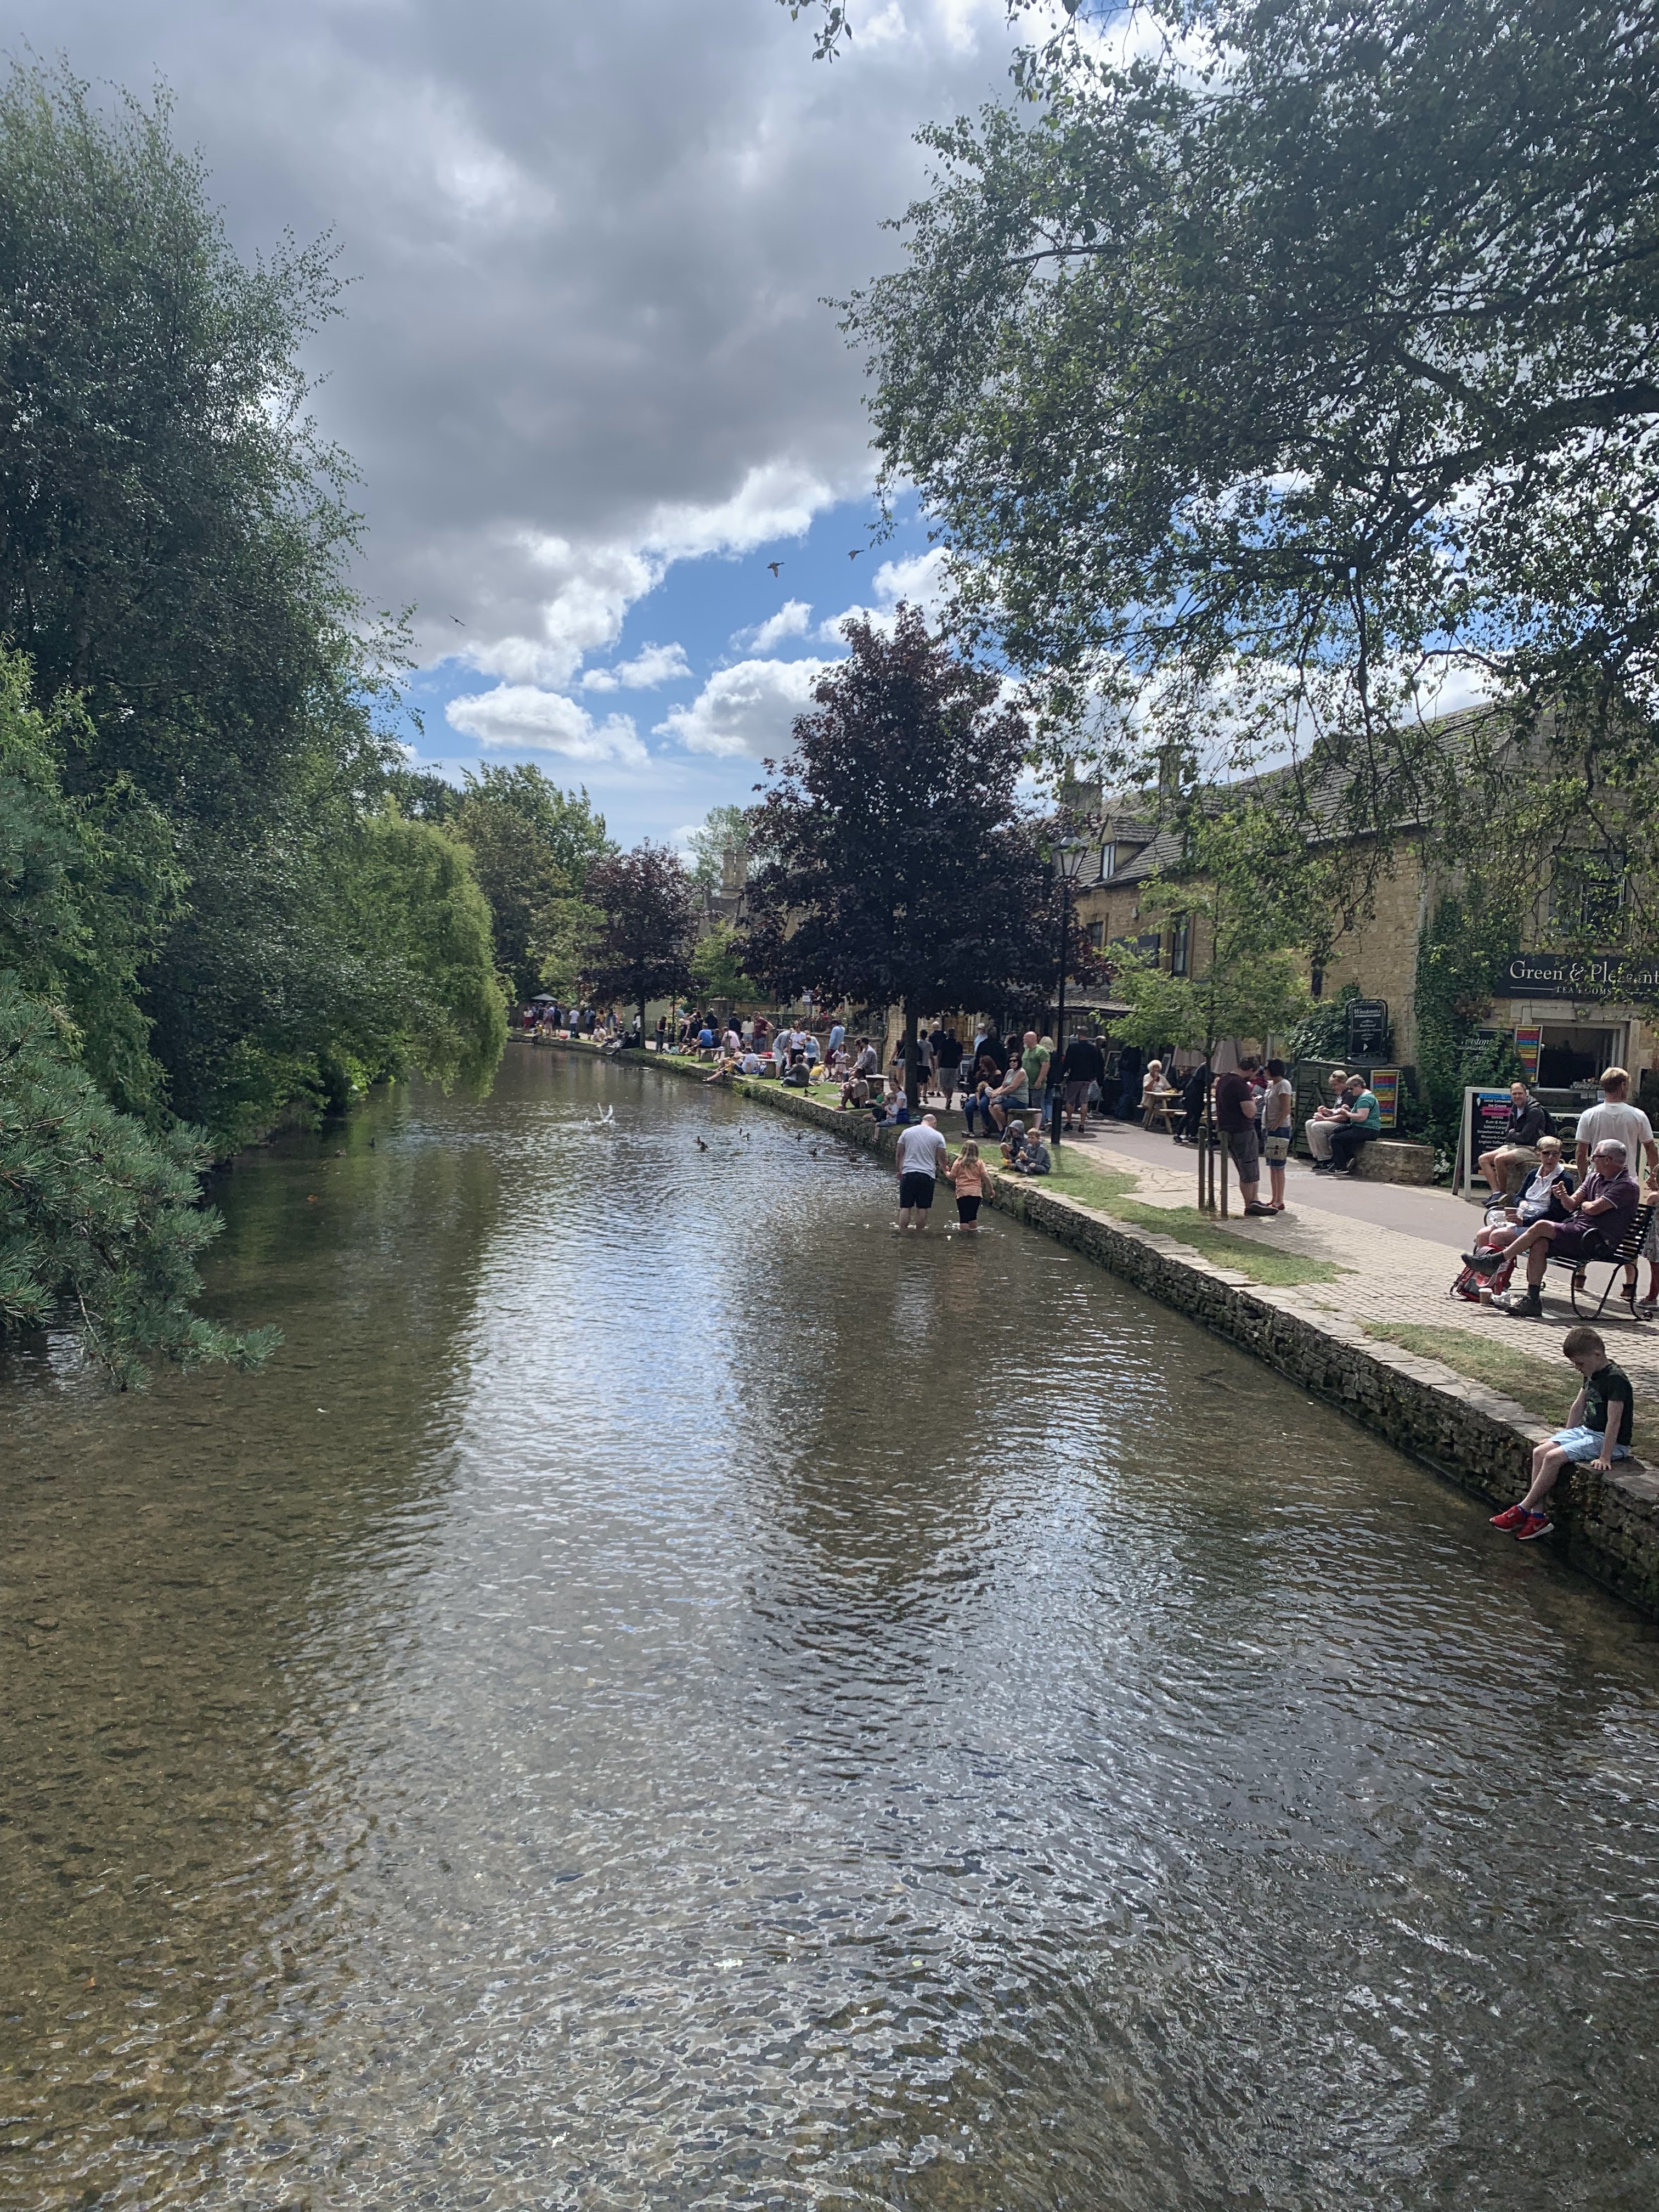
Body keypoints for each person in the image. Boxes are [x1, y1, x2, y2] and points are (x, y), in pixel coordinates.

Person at [1489, 1327, 1634, 1541]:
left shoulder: (1616, 1380)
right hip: (1586, 1432)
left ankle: (1523, 1508)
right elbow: (1579, 1406)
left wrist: (1605, 1456)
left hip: (1607, 1441)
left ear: (1597, 1355)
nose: (1577, 1368)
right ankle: (1537, 1517)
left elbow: (1615, 1421)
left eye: (1579, 1363)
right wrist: (1564, 1437)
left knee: (1552, 1458)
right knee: (1540, 1452)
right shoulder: (1592, 1373)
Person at [1494, 1137, 1640, 1318]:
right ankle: (1532, 1300)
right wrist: (1564, 1196)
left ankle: (1498, 1259)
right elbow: (1572, 1205)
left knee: (1541, 1226)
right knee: (1539, 1243)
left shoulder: (1626, 1186)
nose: (1591, 1160)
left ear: (1607, 1160)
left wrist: (1585, 1203)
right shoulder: (1595, 1177)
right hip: (1579, 1232)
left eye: (1594, 1157)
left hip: (1597, 1240)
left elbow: (1594, 1209)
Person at [1573, 1066, 1658, 1184]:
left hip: (1597, 1180)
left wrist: (1585, 1181)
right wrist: (1654, 1176)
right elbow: (1651, 1149)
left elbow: (1581, 1153)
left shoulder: (1589, 1115)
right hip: (1627, 1181)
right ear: (1623, 1085)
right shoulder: (1638, 1115)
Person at [1214, 1053, 1273, 1216]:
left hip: (1227, 1128)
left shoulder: (1223, 1080)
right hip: (1242, 1130)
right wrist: (1254, 1104)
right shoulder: (1240, 1085)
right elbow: (1249, 1112)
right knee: (1248, 1167)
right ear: (1250, 1070)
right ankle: (1250, 1205)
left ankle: (1254, 1200)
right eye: (1254, 1073)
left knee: (1247, 1166)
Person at [1476, 1080, 1553, 1197]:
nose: (1517, 1096)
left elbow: (1525, 1137)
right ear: (1511, 1095)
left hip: (1532, 1148)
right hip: (1515, 1146)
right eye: (1514, 1094)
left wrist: (1513, 1134)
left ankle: (1502, 1195)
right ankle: (1496, 1192)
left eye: (1520, 1093)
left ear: (1526, 1094)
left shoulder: (1535, 1111)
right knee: (1483, 1159)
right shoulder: (1515, 1108)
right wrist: (1513, 1134)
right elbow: (1507, 1132)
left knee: (1500, 1160)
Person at [895, 1111, 949, 1231]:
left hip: (908, 1173)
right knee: (922, 1207)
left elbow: (899, 1154)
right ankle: (919, 1233)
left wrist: (900, 1170)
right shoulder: (938, 1136)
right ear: (934, 1123)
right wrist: (946, 1171)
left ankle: (903, 1232)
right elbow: (942, 1158)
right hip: (927, 1175)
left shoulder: (907, 1132)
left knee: (905, 1206)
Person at [1259, 1057, 1295, 1212]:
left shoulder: (1283, 1085)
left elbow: (1286, 1109)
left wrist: (1276, 1125)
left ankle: (1280, 1199)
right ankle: (1274, 1198)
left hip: (1279, 1129)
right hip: (1268, 1127)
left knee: (1279, 1166)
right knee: (1273, 1165)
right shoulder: (1271, 1085)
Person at [1328, 1074, 1383, 1175]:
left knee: (1335, 1139)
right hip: (1362, 1127)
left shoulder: (1365, 1099)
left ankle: (1341, 1166)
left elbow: (1362, 1117)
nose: (1350, 1091)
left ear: (1359, 1086)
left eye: (1351, 1089)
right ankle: (1349, 1157)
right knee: (1337, 1130)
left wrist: (1347, 1114)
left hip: (1367, 1129)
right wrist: (1349, 1109)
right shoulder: (1364, 1097)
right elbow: (1359, 1113)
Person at [1304, 1069, 1351, 1169]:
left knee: (1317, 1127)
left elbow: (1344, 1117)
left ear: (1343, 1083)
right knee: (1309, 1123)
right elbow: (1337, 1111)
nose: (1333, 1088)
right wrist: (1327, 1111)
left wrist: (1324, 1119)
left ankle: (1327, 1158)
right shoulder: (1340, 1094)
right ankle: (1319, 1157)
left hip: (1345, 1124)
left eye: (1335, 1085)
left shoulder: (1349, 1095)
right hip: (1336, 1120)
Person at [1060, 1030, 1106, 1133]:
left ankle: (1069, 1122)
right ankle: (1082, 1124)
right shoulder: (1093, 1048)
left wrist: (1063, 1073)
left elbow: (1067, 1062)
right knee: (1084, 1101)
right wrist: (1094, 1076)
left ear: (1078, 1035)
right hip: (1087, 1079)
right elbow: (1098, 1064)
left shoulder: (1073, 1046)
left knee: (1070, 1100)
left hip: (1075, 1077)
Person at [944, 1138, 986, 1231]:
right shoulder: (979, 1163)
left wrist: (945, 1171)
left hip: (963, 1193)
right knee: (973, 1217)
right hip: (976, 1193)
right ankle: (973, 1237)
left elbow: (952, 1177)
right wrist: (991, 1190)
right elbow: (985, 1177)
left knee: (964, 1218)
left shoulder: (959, 1162)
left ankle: (964, 1240)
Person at [933, 1026, 962, 1109]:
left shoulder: (943, 1043)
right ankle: (948, 1101)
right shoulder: (958, 1044)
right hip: (954, 1067)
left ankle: (948, 1098)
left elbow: (939, 1053)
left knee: (942, 1085)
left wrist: (938, 1064)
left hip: (944, 1066)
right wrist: (957, 1063)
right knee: (951, 1086)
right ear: (954, 1035)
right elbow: (961, 1056)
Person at [1139, 1059, 1166, 1126]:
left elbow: (1168, 1087)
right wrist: (1154, 1080)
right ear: (1151, 1068)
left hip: (1160, 1099)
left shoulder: (1162, 1078)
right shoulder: (1147, 1077)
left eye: (1158, 1068)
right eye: (1155, 1068)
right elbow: (1147, 1089)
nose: (1156, 1069)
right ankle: (1150, 1122)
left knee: (1168, 1103)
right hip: (1149, 1098)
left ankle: (1162, 1123)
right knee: (1158, 1104)